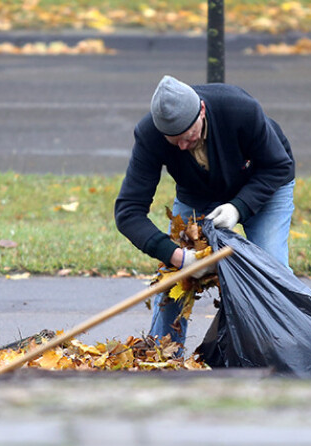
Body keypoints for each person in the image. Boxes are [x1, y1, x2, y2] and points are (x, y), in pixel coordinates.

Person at [114, 75, 296, 347]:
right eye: (174, 142)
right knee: (170, 283)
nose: (184, 147)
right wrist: (179, 258)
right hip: (198, 194)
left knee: (271, 271)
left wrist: (239, 208)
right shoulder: (149, 135)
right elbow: (128, 211)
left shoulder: (239, 109)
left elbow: (278, 166)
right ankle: (164, 356)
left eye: (188, 136)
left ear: (201, 110)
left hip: (262, 182)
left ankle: (287, 350)